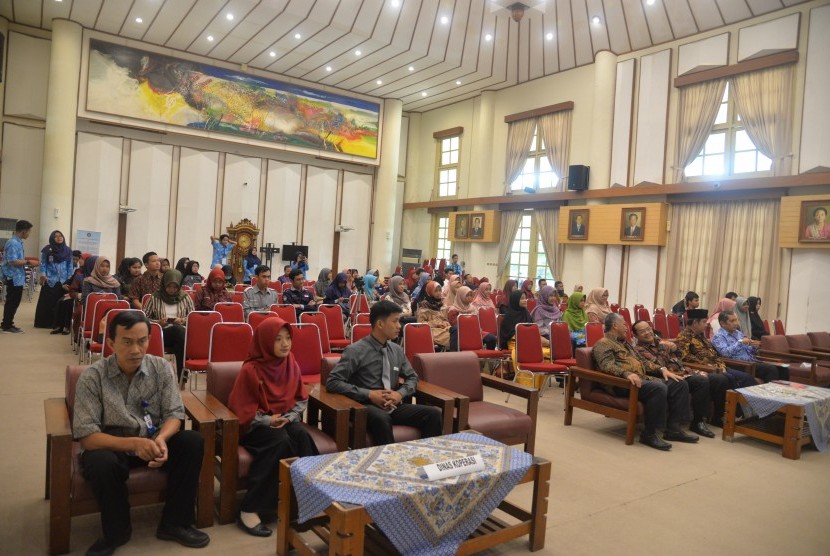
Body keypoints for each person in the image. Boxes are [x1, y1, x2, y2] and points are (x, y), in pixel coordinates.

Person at [72, 311, 210, 554]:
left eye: (142, 340)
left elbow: (174, 414)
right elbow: (87, 435)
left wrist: (162, 440)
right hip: (113, 445)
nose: (136, 349)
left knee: (192, 442)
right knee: (100, 462)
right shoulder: (92, 377)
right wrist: (135, 444)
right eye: (127, 342)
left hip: (153, 438)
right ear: (111, 343)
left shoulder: (161, 368)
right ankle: (117, 532)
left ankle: (174, 523)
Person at [227, 318, 317, 537]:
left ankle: (307, 502)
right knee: (279, 442)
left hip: (285, 419)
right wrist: (268, 421)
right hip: (255, 426)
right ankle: (249, 509)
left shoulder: (290, 362)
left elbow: (301, 398)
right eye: (278, 339)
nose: (285, 344)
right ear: (265, 342)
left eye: (288, 338)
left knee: (303, 438)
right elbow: (240, 411)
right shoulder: (251, 369)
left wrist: (289, 417)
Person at [326, 301, 444, 445]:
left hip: (393, 404)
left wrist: (399, 394)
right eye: (394, 321)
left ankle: (426, 458)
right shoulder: (355, 351)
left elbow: (413, 377)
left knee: (434, 414)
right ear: (380, 324)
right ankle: (388, 463)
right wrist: (369, 394)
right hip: (365, 406)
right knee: (381, 418)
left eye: (399, 321)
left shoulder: (396, 350)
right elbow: (333, 382)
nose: (399, 326)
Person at [592, 313, 698, 450]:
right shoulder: (603, 344)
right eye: (624, 324)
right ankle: (649, 434)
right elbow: (606, 365)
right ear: (615, 325)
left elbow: (643, 362)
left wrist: (662, 370)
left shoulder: (625, 343)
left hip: (640, 380)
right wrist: (626, 373)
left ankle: (673, 429)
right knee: (658, 388)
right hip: (621, 383)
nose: (626, 327)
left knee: (679, 384)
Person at [632, 320, 726, 437]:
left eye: (648, 329)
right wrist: (664, 346)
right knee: (700, 381)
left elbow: (681, 355)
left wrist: (675, 347)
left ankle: (715, 417)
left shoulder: (661, 342)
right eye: (642, 331)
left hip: (684, 371)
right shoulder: (639, 349)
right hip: (669, 376)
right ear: (636, 336)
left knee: (718, 379)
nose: (647, 332)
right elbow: (660, 363)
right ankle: (696, 422)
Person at [674, 309, 757, 392]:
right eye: (704, 322)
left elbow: (714, 354)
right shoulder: (683, 337)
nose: (706, 325)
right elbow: (685, 358)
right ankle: (731, 403)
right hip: (703, 368)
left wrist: (720, 365)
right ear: (695, 322)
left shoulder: (701, 336)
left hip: (717, 366)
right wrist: (709, 365)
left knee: (746, 377)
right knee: (728, 378)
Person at [143, 270, 195, 381]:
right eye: (169, 286)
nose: (171, 290)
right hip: (161, 334)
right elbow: (143, 318)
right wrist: (158, 322)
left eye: (175, 287)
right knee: (179, 333)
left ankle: (180, 378)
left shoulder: (185, 297)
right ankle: (184, 375)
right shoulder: (155, 297)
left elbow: (192, 318)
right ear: (164, 284)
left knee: (179, 343)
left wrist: (182, 320)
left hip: (180, 335)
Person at [711, 311, 785, 383]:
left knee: (783, 369)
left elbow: (748, 350)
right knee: (771, 369)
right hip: (738, 364)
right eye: (732, 321)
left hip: (751, 361)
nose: (736, 323)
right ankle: (769, 394)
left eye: (736, 320)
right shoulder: (718, 337)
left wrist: (754, 346)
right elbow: (725, 353)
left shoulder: (738, 333)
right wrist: (740, 342)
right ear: (722, 323)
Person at [2, 219, 39, 333]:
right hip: (13, 276)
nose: (29, 234)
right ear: (23, 232)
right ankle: (6, 326)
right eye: (28, 232)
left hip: (17, 277)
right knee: (12, 302)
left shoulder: (18, 242)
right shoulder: (13, 243)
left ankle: (8, 323)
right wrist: (29, 262)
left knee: (14, 301)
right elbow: (12, 261)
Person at [35, 230, 74, 331]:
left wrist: (70, 279)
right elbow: (43, 264)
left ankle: (59, 324)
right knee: (49, 303)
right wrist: (43, 275)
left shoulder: (68, 250)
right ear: (52, 238)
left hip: (64, 281)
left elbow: (70, 266)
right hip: (50, 280)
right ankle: (46, 323)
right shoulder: (47, 250)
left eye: (60, 236)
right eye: (56, 236)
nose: (59, 238)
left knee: (61, 303)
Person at [499, 290, 550, 355]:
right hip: (516, 345)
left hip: (529, 342)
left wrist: (545, 341)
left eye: (525, 298)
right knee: (544, 353)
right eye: (522, 299)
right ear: (515, 300)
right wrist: (532, 338)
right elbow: (510, 336)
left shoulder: (526, 313)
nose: (525, 300)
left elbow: (533, 330)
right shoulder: (509, 317)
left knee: (551, 351)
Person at [446, 286, 497, 350]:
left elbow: (477, 322)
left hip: (474, 331)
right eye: (467, 295)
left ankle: (489, 358)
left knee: (491, 338)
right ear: (461, 296)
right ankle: (456, 357)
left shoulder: (472, 308)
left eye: (471, 295)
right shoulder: (453, 310)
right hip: (461, 333)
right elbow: (454, 325)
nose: (470, 297)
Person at [416, 281, 451, 349]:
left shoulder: (441, 304)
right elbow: (420, 324)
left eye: (440, 290)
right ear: (430, 292)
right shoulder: (424, 305)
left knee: (454, 332)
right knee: (452, 336)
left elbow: (445, 319)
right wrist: (436, 324)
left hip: (443, 329)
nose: (438, 293)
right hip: (431, 331)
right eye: (436, 291)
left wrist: (445, 323)